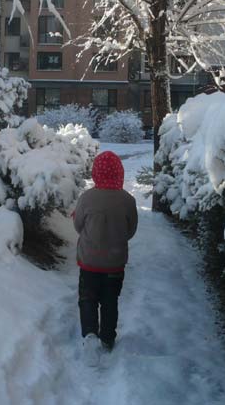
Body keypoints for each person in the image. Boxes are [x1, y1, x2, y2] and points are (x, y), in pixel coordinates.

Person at [72, 150, 138, 365]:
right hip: (115, 263)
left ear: (96, 174)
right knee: (110, 301)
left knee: (88, 299)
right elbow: (131, 230)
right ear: (119, 173)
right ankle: (108, 338)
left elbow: (77, 225)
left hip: (89, 262)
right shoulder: (128, 200)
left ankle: (90, 333)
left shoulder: (87, 198)